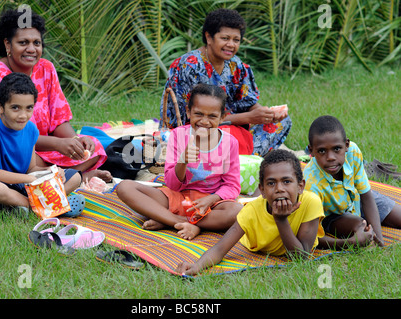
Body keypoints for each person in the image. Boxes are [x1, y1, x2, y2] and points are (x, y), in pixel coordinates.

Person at [0, 8, 112, 185]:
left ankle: (62, 175)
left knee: (93, 146)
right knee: (18, 158)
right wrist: (57, 145)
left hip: (36, 151)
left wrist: (75, 141)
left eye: (36, 43)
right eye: (23, 43)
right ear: (7, 45)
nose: (31, 49)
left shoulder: (46, 69)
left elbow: (58, 120)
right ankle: (75, 176)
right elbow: (1, 136)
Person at [117, 84, 243, 240]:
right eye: (198, 114)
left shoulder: (229, 142)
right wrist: (182, 161)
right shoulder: (178, 135)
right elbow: (172, 184)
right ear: (188, 112)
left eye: (212, 116)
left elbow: (232, 186)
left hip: (210, 204)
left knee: (236, 211)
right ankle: (181, 222)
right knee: (125, 187)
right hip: (178, 197)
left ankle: (167, 219)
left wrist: (212, 199)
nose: (204, 121)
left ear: (222, 117)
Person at [160, 8, 291, 156]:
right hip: (193, 131)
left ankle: (240, 157)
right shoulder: (188, 66)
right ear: (209, 38)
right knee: (220, 135)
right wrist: (248, 118)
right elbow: (192, 119)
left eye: (236, 40)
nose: (231, 45)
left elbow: (248, 102)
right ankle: (240, 157)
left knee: (282, 122)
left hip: (228, 128)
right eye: (225, 38)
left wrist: (265, 114)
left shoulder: (237, 66)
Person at [176, 149, 325, 276]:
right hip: (256, 239)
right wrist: (197, 266)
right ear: (262, 190)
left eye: (286, 181)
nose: (279, 188)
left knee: (322, 239)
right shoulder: (252, 211)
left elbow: (301, 256)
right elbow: (220, 248)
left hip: (296, 240)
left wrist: (281, 220)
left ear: (300, 186)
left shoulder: (311, 202)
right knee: (234, 215)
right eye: (271, 183)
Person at [0, 73, 82, 212]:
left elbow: (31, 169)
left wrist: (51, 172)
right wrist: (29, 178)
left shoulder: (30, 129)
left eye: (29, 108)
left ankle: (25, 205)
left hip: (18, 185)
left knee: (74, 177)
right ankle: (40, 207)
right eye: (15, 108)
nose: (23, 115)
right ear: (0, 106)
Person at [303, 115, 401, 249]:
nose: (330, 157)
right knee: (361, 226)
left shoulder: (353, 152)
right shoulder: (310, 183)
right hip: (332, 215)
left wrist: (380, 239)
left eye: (337, 149)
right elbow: (310, 237)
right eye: (321, 151)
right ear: (311, 151)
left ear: (346, 145)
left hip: (356, 199)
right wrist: (349, 243)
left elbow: (366, 196)